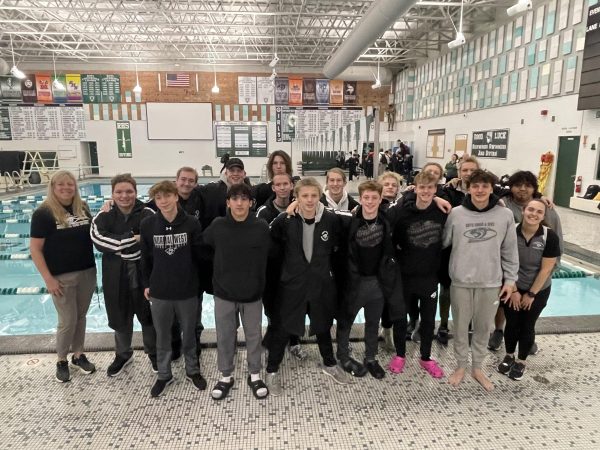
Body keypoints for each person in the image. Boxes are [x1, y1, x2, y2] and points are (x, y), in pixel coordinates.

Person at [265, 178, 350, 395]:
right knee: (284, 328)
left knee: (322, 325)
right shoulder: (286, 220)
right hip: (293, 284)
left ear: (319, 196)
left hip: (320, 283)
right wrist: (286, 212)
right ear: (297, 197)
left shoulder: (331, 219)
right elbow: (269, 235)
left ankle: (329, 363)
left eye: (314, 195)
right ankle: (272, 370)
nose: (310, 200)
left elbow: (353, 219)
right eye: (305, 196)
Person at [442, 169, 519, 391]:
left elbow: (510, 251)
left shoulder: (504, 215)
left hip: (491, 282)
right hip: (460, 281)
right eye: (475, 186)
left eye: (485, 186)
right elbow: (443, 242)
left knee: (484, 328)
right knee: (460, 327)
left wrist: (510, 281)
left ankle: (477, 367)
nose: (480, 190)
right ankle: (460, 366)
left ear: (491, 188)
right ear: (469, 188)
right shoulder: (456, 214)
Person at [203, 183, 271, 400]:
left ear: (251, 203)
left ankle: (254, 374)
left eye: (244, 199)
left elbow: (271, 255)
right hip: (224, 293)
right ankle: (225, 376)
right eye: (235, 198)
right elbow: (204, 248)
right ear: (228, 202)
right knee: (225, 336)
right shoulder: (218, 226)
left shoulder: (260, 226)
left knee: (253, 336)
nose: (239, 203)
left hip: (252, 294)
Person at [140, 180, 206, 397]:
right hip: (160, 291)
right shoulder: (148, 225)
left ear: (176, 196)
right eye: (158, 198)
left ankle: (192, 370)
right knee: (163, 336)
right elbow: (145, 259)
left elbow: (199, 257)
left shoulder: (191, 224)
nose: (163, 201)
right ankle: (164, 375)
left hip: (186, 290)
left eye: (167, 196)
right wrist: (147, 284)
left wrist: (198, 285)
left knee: (189, 335)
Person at [30, 170, 97, 383]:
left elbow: (96, 232)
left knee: (80, 316)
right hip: (61, 276)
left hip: (87, 270)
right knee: (67, 321)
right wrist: (48, 279)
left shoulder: (82, 208)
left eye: (70, 184)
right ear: (53, 187)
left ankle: (78, 355)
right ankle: (61, 360)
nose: (66, 188)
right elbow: (35, 249)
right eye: (61, 185)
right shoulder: (44, 213)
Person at [335, 180, 404, 380]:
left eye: (374, 198)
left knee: (373, 322)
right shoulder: (349, 220)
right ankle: (343, 356)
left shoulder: (386, 219)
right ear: (360, 198)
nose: (370, 201)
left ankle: (371, 357)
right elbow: (325, 211)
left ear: (381, 199)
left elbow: (411, 200)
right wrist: (295, 204)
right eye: (366, 197)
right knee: (346, 320)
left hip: (377, 282)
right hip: (355, 282)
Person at [487, 170, 563, 353]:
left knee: (530, 311)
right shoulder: (502, 205)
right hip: (510, 273)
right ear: (510, 187)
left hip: (538, 272)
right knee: (504, 306)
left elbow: (557, 239)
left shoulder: (547, 209)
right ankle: (498, 330)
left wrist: (553, 266)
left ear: (534, 189)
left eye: (528, 186)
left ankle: (527, 335)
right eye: (518, 185)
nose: (522, 189)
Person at [91, 174, 157, 376]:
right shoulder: (103, 216)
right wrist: (131, 238)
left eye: (129, 191)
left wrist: (119, 244)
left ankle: (154, 354)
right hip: (115, 277)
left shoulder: (147, 213)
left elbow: (151, 239)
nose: (124, 196)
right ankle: (123, 354)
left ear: (136, 193)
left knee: (149, 317)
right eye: (119, 192)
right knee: (120, 316)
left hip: (142, 273)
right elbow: (100, 241)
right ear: (112, 194)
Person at [387, 171, 447, 378]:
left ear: (435, 189)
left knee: (429, 319)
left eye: (430, 188)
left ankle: (426, 357)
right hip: (404, 275)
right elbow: (382, 219)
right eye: (422, 187)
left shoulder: (442, 211)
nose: (426, 191)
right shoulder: (402, 211)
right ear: (415, 188)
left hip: (429, 276)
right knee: (400, 317)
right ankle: (400, 354)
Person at [497, 199, 561, 381]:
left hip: (538, 290)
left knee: (527, 325)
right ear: (524, 210)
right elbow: (505, 262)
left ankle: (521, 361)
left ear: (543, 216)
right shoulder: (511, 231)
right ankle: (509, 355)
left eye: (539, 212)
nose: (534, 214)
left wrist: (531, 294)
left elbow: (546, 269)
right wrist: (515, 291)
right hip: (512, 286)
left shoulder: (549, 237)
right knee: (512, 323)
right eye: (530, 209)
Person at [256, 173, 307, 361]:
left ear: (292, 185)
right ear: (273, 188)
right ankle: (272, 341)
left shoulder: (303, 206)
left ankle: (294, 342)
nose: (283, 187)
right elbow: (263, 236)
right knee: (272, 309)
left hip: (295, 269)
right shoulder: (264, 211)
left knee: (294, 307)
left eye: (286, 184)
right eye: (279, 184)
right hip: (272, 269)